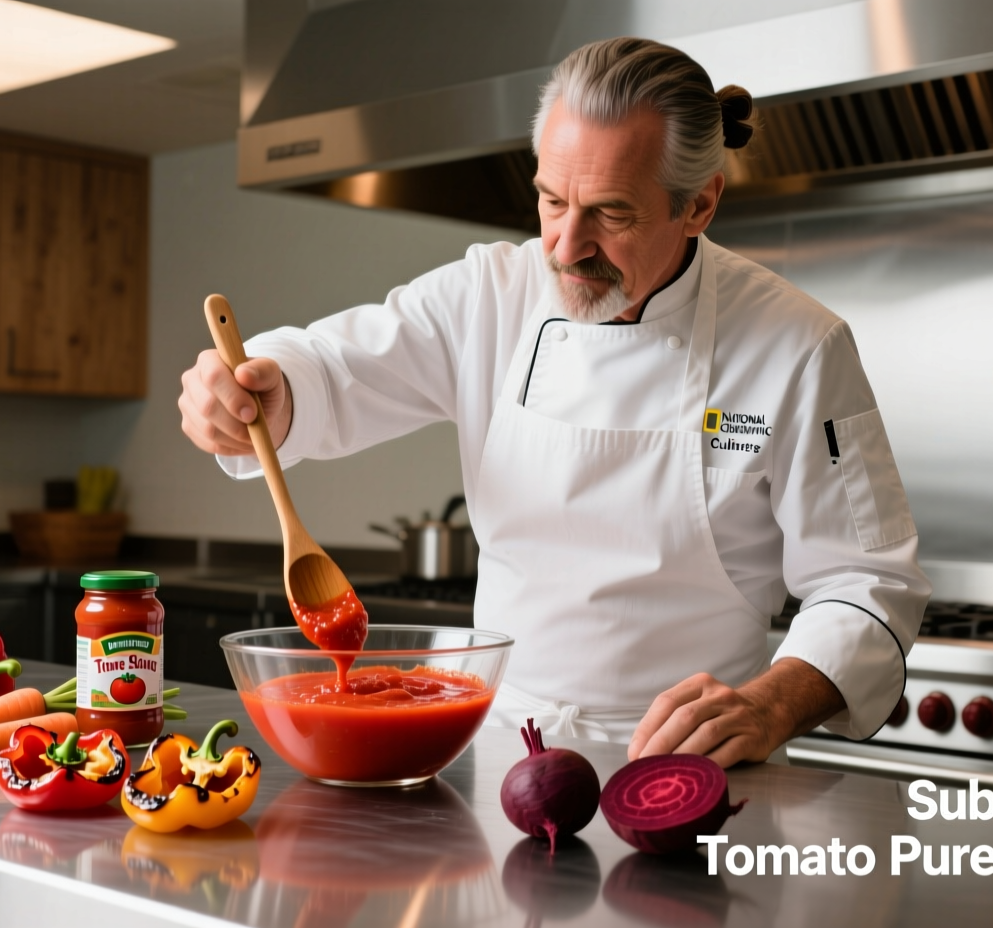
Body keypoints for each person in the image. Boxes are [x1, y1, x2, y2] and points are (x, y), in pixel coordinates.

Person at [178, 37, 930, 767]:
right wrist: (259, 395)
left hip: (691, 765)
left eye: (611, 213)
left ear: (698, 205)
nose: (566, 247)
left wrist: (770, 704)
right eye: (550, 200)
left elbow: (868, 582)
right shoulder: (490, 295)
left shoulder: (797, 345)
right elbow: (330, 368)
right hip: (502, 747)